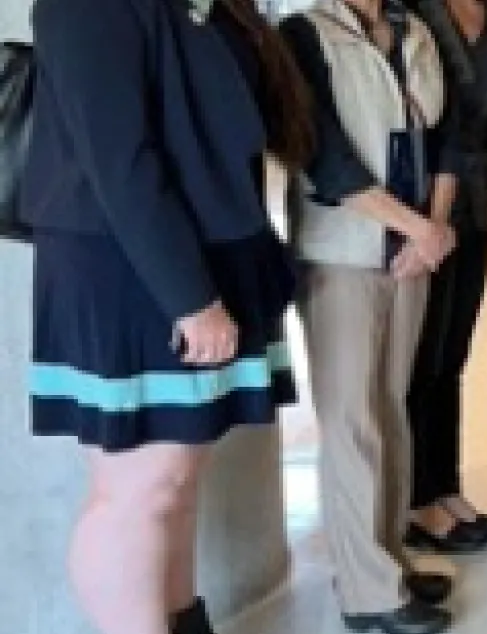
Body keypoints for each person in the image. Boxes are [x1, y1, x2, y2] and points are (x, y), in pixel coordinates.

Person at [23, 0, 309, 631]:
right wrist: (191, 298)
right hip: (131, 268)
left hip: (207, 254)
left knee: (178, 481)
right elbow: (119, 162)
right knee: (141, 489)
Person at [281, 0, 462, 630]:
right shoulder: (304, 35)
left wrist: (432, 228)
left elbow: (447, 137)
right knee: (352, 419)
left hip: (411, 254)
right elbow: (323, 155)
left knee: (390, 407)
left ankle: (389, 561)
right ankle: (366, 592)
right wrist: (417, 227)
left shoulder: (416, 31)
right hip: (343, 254)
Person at [401, 0, 487, 552]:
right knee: (420, 360)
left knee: (451, 358)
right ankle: (415, 499)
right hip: (420, 203)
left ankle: (446, 487)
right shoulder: (414, 10)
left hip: (472, 205)